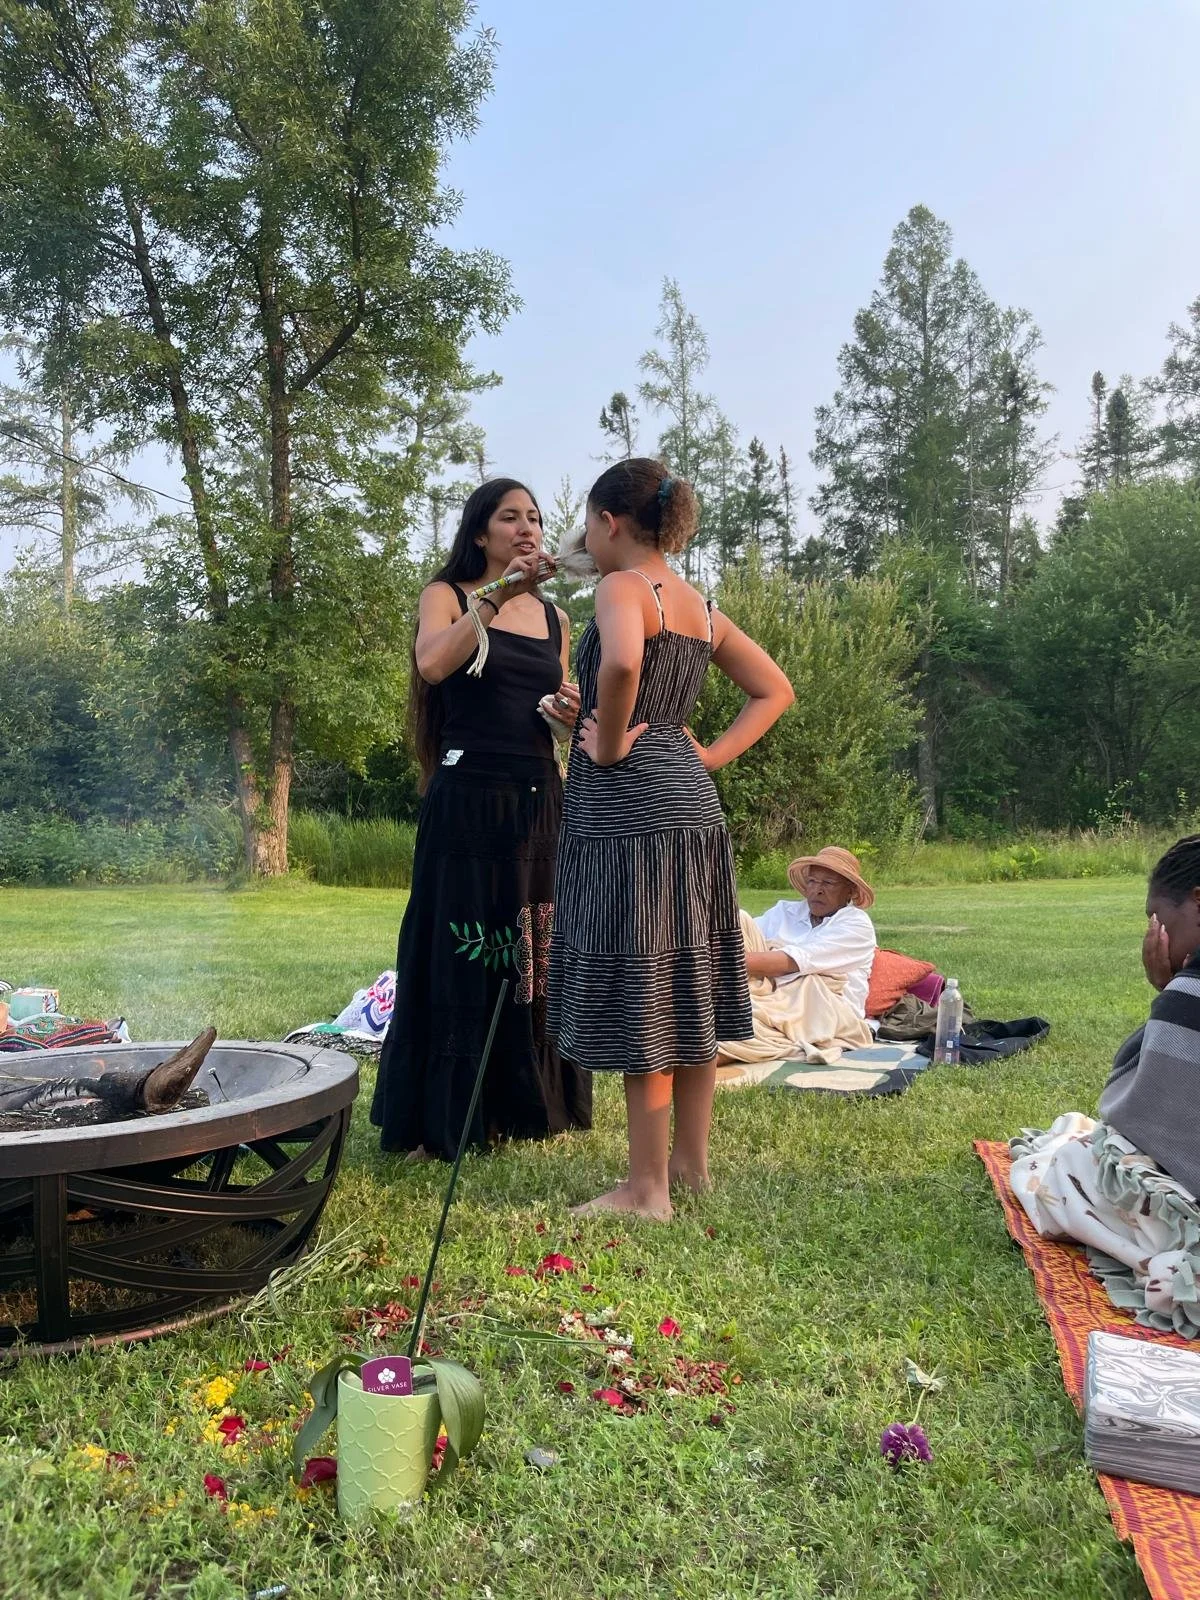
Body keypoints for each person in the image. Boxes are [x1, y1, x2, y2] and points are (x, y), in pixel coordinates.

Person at [548, 458, 794, 1220]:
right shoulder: (698, 606)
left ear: (609, 521)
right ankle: (689, 1169)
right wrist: (706, 756)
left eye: (588, 524)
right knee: (688, 978)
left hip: (632, 810)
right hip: (691, 807)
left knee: (646, 983)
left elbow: (624, 660)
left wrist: (607, 744)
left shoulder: (622, 586)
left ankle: (645, 1189)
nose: (587, 539)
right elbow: (774, 689)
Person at [371, 479, 592, 1161]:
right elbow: (434, 664)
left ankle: (527, 1107)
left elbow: (556, 718)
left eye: (535, 518)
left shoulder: (556, 619)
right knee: (459, 949)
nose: (527, 528)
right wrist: (497, 595)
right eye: (509, 517)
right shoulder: (448, 595)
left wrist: (566, 714)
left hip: (539, 798)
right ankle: (444, 1116)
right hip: (467, 797)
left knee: (532, 950)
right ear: (479, 532)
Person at [1009, 834, 1200, 1331]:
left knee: (1071, 1163)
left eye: (1157, 918)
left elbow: (1135, 1115)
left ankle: (1172, 1266)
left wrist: (1166, 990)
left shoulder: (1190, 989)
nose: (1154, 934)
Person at [717, 845, 877, 1070]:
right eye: (812, 881)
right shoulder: (785, 911)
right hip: (770, 994)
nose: (817, 890)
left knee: (742, 1024)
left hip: (822, 1009)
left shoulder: (855, 924)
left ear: (850, 891)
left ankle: (704, 1057)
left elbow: (791, 962)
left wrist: (716, 962)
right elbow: (744, 939)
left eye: (828, 883)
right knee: (740, 920)